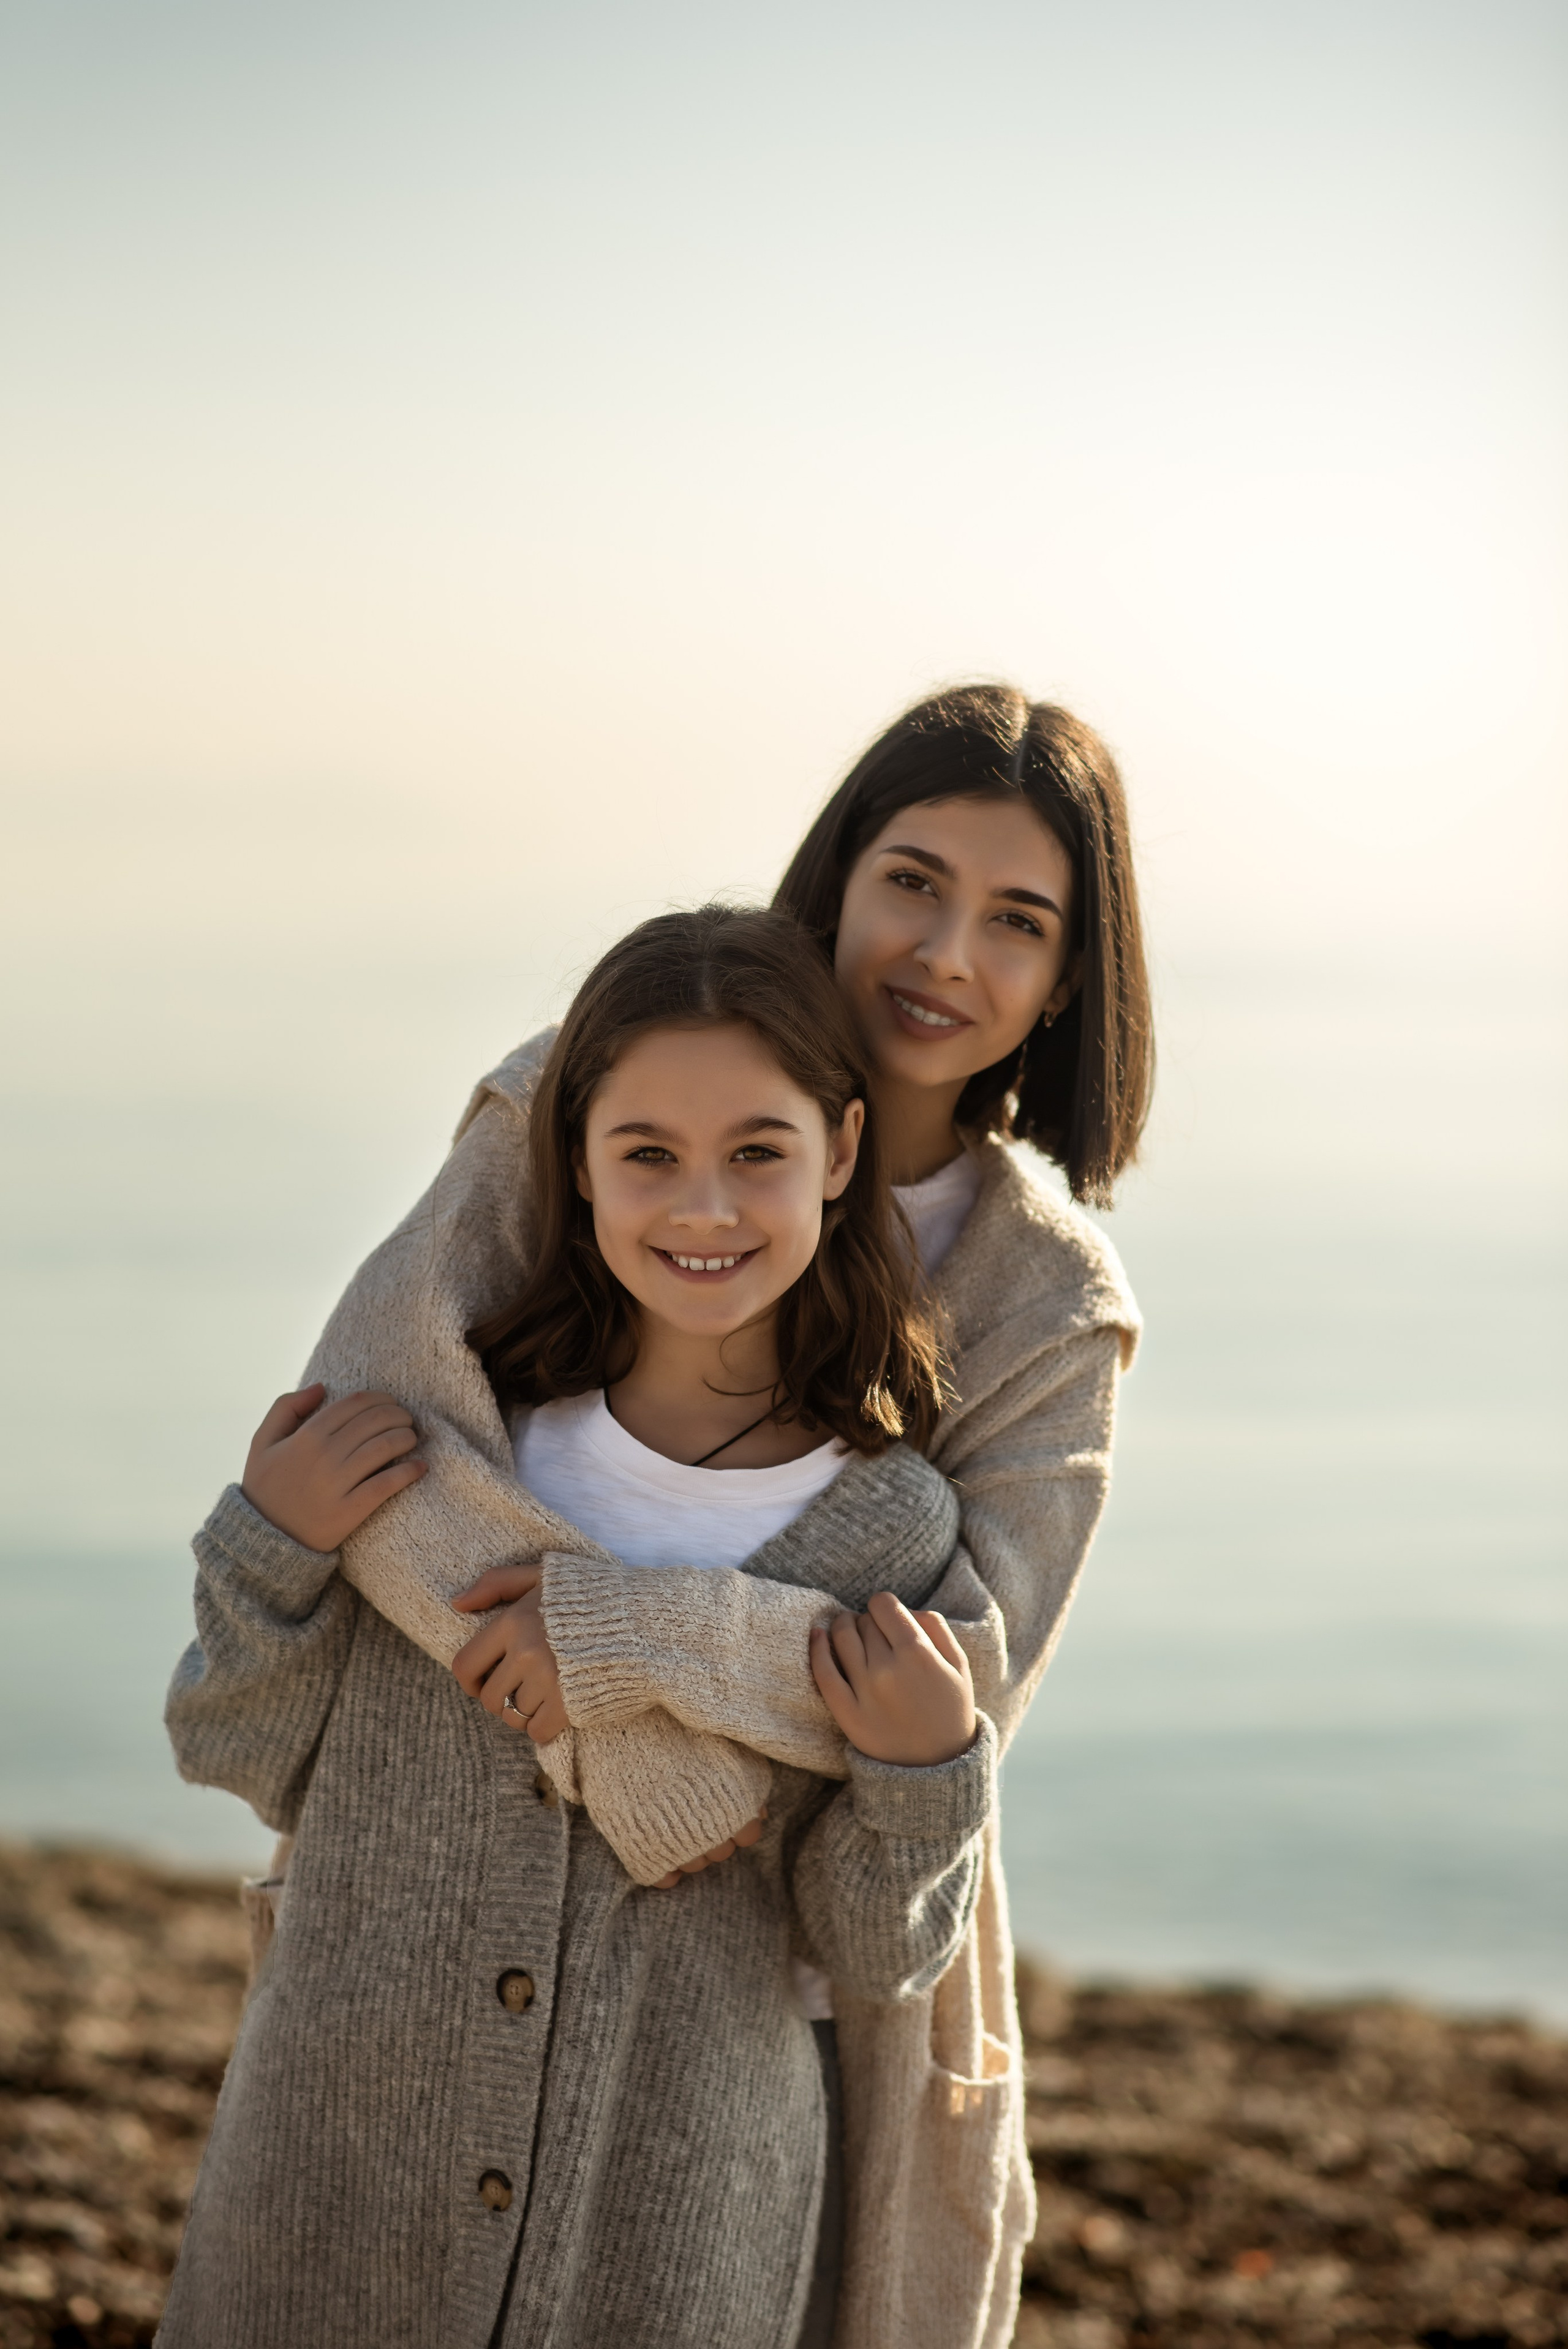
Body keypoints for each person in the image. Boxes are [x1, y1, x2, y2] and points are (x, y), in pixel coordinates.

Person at [158, 906, 996, 2349]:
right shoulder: (451, 1463)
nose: (703, 1206)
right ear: (575, 1163)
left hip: (668, 2219)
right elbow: (239, 1749)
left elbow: (866, 1948)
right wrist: (271, 1544)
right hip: (344, 2164)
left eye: (757, 1151)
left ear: (840, 1154)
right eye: (647, 1154)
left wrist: (929, 1779)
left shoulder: (884, 1528)